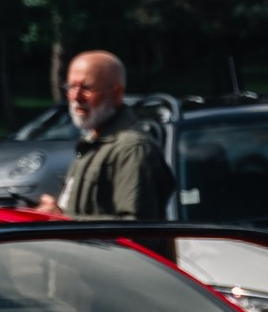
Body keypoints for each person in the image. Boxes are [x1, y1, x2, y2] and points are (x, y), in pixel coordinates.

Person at [30, 51, 172, 221]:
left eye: (87, 88)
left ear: (117, 93)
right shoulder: (93, 143)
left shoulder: (131, 148)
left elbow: (137, 229)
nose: (76, 97)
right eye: (71, 87)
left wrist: (64, 220)